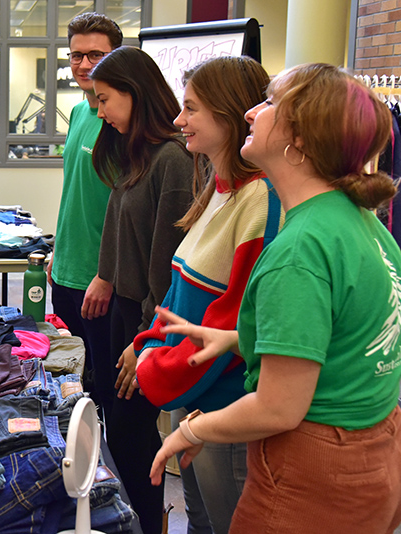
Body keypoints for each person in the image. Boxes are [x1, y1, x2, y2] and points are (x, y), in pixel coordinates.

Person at [150, 63, 401, 534]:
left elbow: (279, 407)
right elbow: (339, 344)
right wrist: (236, 339)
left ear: (300, 139)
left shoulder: (300, 248)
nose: (250, 112)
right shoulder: (358, 221)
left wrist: (190, 429)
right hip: (371, 454)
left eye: (269, 104)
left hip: (317, 471)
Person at [126, 56, 279, 534]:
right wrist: (148, 343)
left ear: (228, 115)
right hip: (195, 404)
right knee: (198, 522)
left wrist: (154, 368)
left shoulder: (260, 201)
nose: (178, 120)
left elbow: (227, 325)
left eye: (191, 109)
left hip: (225, 412)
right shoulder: (220, 187)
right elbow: (179, 291)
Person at [88, 45, 195, 534]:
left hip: (146, 319)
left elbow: (170, 268)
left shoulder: (172, 159)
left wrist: (145, 338)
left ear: (136, 92)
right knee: (120, 431)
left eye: (106, 99)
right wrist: (105, 274)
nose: (100, 111)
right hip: (126, 311)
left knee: (133, 438)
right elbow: (118, 220)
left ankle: (147, 525)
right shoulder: (139, 152)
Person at [47, 12, 122, 418]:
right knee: (72, 383)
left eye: (95, 54)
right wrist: (58, 248)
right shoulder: (78, 113)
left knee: (106, 395)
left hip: (100, 282)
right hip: (66, 273)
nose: (83, 64)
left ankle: (106, 478)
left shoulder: (123, 125)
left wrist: (107, 276)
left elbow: (124, 213)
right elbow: (73, 193)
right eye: (76, 55)